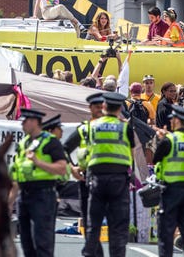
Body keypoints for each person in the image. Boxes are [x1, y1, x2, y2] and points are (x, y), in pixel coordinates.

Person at [82, 92, 134, 257]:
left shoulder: (92, 126)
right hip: (119, 180)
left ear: (103, 106)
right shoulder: (125, 127)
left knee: (93, 225)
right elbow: (131, 154)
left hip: (96, 179)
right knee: (118, 227)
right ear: (119, 108)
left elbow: (85, 154)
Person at [11, 108, 67, 257]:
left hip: (43, 194)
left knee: (42, 241)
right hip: (23, 196)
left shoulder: (51, 142)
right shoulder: (24, 143)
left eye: (25, 121)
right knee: (26, 242)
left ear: (35, 122)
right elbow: (17, 175)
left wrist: (38, 162)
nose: (22, 124)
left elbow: (62, 168)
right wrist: (9, 202)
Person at [153, 105, 184, 257]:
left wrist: (160, 140)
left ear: (178, 120)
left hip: (171, 191)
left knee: (166, 232)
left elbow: (156, 159)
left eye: (173, 119)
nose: (171, 121)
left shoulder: (170, 140)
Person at [63, 93, 106, 257]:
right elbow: (65, 148)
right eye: (96, 107)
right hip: (87, 179)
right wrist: (72, 168)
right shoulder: (84, 129)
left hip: (109, 179)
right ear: (90, 109)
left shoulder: (115, 127)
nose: (100, 110)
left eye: (102, 107)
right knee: (89, 222)